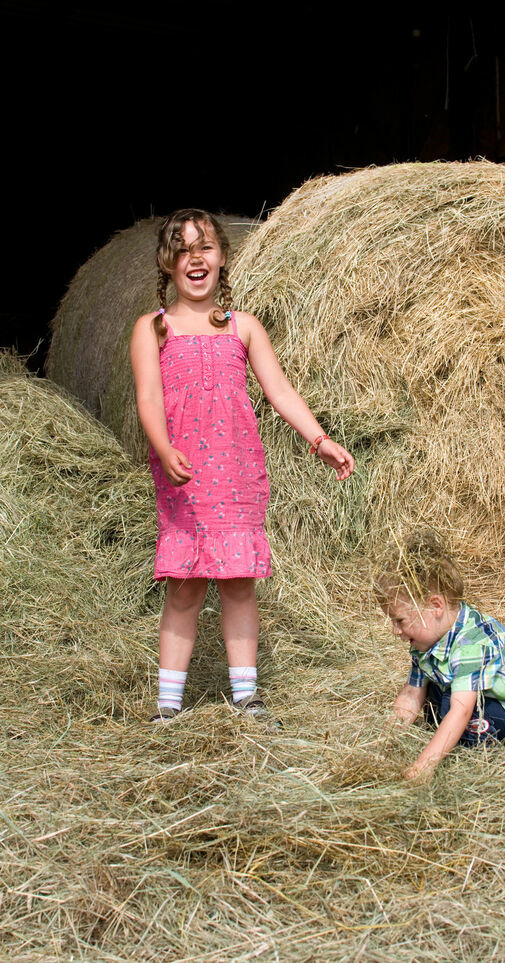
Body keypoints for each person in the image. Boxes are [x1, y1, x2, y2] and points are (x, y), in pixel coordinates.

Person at [130, 208, 354, 723]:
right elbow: (147, 397)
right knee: (185, 585)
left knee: (238, 581)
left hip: (236, 471)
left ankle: (246, 696)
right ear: (167, 263)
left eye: (204, 247)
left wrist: (317, 438)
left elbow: (278, 390)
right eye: (183, 250)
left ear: (223, 257)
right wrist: (164, 450)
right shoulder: (153, 328)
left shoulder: (244, 327)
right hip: (184, 474)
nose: (195, 258)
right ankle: (168, 705)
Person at [375, 532, 505, 781]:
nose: (395, 630)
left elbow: (460, 711)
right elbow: (411, 694)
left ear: (435, 606)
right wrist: (385, 740)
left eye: (399, 620)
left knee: (448, 709)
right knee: (433, 702)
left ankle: (467, 741)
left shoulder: (471, 644)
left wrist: (423, 767)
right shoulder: (427, 641)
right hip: (484, 694)